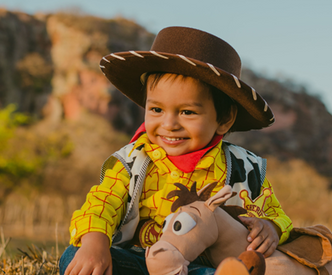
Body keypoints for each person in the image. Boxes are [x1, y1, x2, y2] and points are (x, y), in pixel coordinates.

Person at [60, 26, 293, 275]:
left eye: (187, 112)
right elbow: (101, 204)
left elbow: (275, 212)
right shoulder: (132, 162)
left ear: (224, 119)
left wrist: (271, 227)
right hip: (141, 262)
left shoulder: (243, 168)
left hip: (200, 266)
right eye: (156, 110)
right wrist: (95, 243)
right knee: (73, 256)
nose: (169, 124)